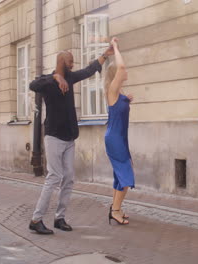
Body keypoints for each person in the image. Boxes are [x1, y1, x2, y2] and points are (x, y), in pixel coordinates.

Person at [28, 47, 113, 234]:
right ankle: (36, 219)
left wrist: (105, 55)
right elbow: (33, 85)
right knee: (54, 177)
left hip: (69, 138)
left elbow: (89, 70)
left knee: (68, 178)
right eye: (70, 62)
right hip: (53, 136)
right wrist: (55, 77)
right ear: (61, 63)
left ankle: (59, 218)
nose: (73, 65)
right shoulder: (48, 83)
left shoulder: (71, 78)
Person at [104, 37, 134, 225]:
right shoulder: (112, 91)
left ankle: (116, 208)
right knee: (126, 176)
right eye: (122, 70)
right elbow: (121, 67)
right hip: (115, 139)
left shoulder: (119, 94)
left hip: (120, 138)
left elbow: (119, 110)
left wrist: (127, 101)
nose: (126, 70)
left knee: (120, 175)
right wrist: (115, 47)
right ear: (116, 74)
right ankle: (115, 210)